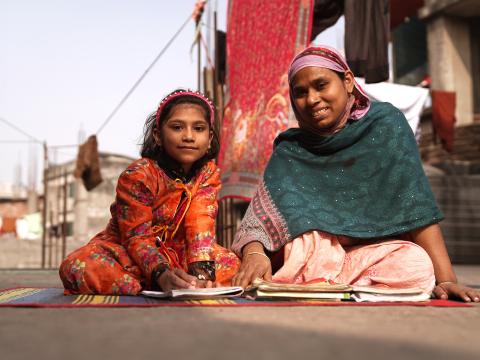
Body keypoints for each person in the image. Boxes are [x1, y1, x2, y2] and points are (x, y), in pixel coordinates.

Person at [231, 46, 479, 302]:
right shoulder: (291, 149)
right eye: (301, 93)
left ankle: (322, 284)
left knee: (416, 265)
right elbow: (258, 221)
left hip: (371, 255)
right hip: (311, 257)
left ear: (347, 81)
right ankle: (332, 284)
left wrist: (447, 280)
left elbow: (416, 206)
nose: (312, 99)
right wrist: (254, 254)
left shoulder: (386, 125)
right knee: (303, 242)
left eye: (321, 85)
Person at [60, 89, 240, 295]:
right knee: (77, 265)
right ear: (158, 136)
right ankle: (155, 285)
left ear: (209, 139)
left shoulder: (208, 173)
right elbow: (136, 237)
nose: (189, 136)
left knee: (233, 264)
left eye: (198, 128)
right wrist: (160, 273)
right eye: (177, 127)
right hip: (129, 251)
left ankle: (183, 283)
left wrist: (203, 279)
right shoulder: (139, 174)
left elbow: (200, 227)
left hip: (180, 253)